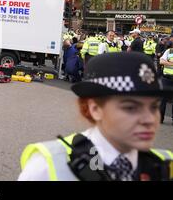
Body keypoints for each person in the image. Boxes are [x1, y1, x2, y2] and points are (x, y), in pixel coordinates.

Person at [19, 52, 173, 181]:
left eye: (154, 106)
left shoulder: (167, 164)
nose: (150, 119)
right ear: (95, 109)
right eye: (131, 108)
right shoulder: (47, 166)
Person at [159, 41, 173, 124]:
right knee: (162, 100)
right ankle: (160, 118)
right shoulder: (169, 51)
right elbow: (161, 61)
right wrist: (171, 63)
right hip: (166, 79)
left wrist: (169, 63)